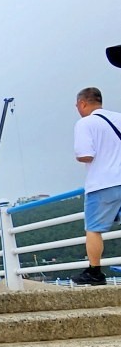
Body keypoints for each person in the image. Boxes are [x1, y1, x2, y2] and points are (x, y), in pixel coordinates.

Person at [73, 85, 121, 286]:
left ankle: (95, 272)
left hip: (102, 183)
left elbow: (85, 155)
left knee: (94, 229)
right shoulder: (118, 117)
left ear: (83, 103)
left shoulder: (85, 123)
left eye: (77, 105)